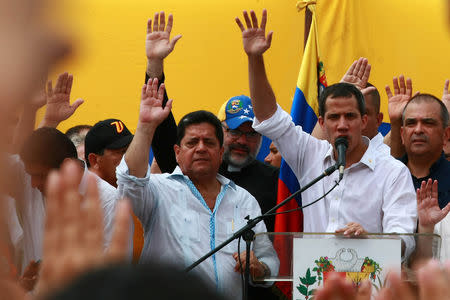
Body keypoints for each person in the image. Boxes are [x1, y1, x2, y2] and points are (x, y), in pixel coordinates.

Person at [235, 9, 416, 247]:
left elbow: (404, 238)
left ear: (364, 121)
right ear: (322, 123)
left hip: (367, 282)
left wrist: (371, 240)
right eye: (334, 117)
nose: (342, 125)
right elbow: (270, 117)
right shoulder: (310, 156)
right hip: (315, 283)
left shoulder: (392, 171)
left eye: (350, 116)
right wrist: (255, 59)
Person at [116, 78, 279, 300]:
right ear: (177, 152)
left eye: (209, 143)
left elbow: (270, 260)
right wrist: (145, 126)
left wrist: (260, 268)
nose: (201, 148)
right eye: (192, 143)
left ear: (221, 153)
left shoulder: (244, 199)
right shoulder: (158, 189)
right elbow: (129, 182)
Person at [145, 12, 279, 237]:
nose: (243, 141)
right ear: (220, 135)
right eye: (235, 132)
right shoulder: (194, 167)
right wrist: (155, 66)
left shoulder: (274, 181)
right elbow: (162, 128)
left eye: (252, 134)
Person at [84, 119, 144, 263]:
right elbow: (113, 267)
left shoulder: (78, 186)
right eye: (121, 152)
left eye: (130, 150)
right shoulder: (111, 197)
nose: (129, 157)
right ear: (94, 160)